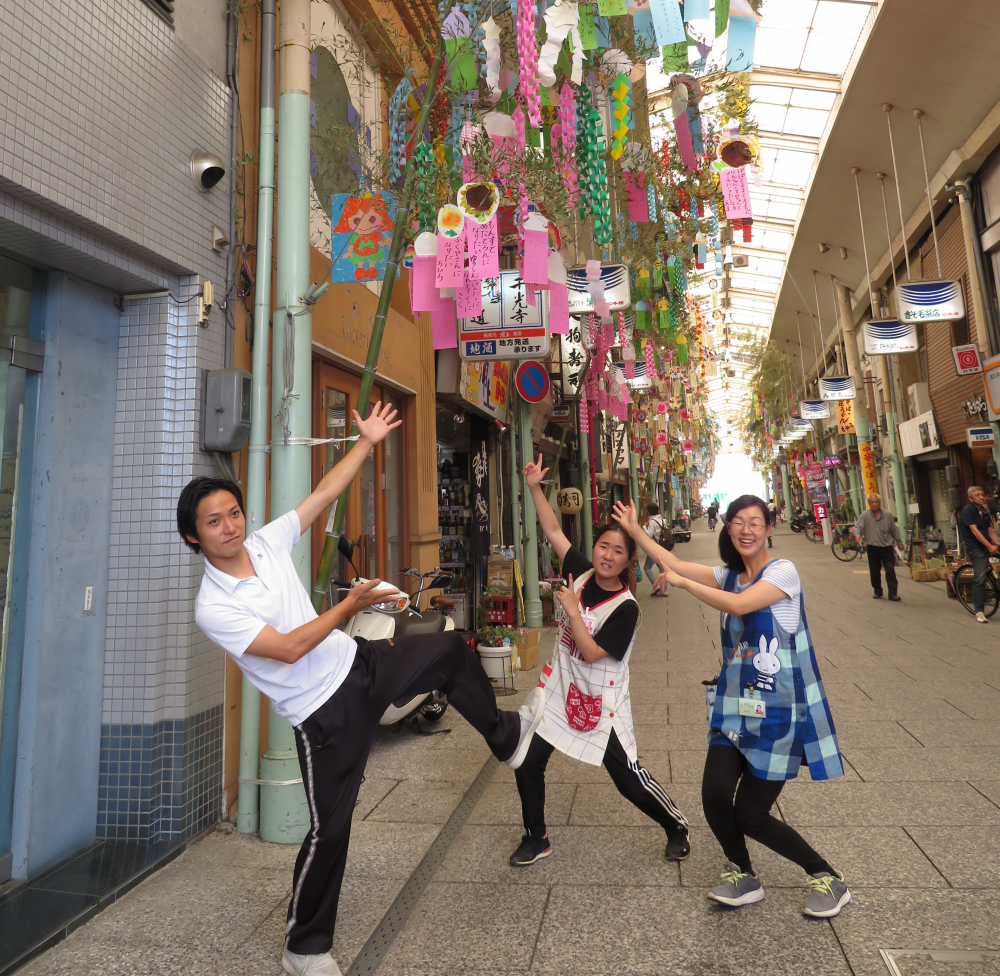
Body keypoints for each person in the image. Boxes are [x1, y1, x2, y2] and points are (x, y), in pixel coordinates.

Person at [181, 402, 546, 976]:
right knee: (331, 832)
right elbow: (288, 648)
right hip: (323, 715)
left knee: (450, 647)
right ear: (193, 537)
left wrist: (367, 442)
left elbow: (323, 494)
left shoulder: (266, 544)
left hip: (360, 663)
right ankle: (303, 947)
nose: (230, 526)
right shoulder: (213, 606)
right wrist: (351, 602)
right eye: (214, 521)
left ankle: (506, 738)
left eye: (233, 513)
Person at [618, 494, 850, 919]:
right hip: (735, 707)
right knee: (714, 794)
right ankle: (741, 872)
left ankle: (825, 875)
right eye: (738, 522)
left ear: (769, 528)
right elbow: (674, 560)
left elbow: (741, 605)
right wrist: (635, 531)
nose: (746, 529)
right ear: (728, 528)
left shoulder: (784, 572)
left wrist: (686, 584)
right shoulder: (728, 575)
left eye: (755, 522)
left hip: (779, 714)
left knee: (752, 814)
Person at [508, 455, 690, 868]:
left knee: (628, 780)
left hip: (599, 704)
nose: (607, 555)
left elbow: (591, 652)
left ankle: (675, 824)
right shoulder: (582, 571)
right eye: (603, 546)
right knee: (526, 759)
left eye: (618, 551)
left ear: (629, 561)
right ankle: (536, 837)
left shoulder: (626, 609)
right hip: (560, 694)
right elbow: (553, 528)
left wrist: (572, 611)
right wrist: (535, 486)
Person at [959, 486, 1000, 623]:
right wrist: (989, 546)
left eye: (982, 495)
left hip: (988, 545)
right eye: (978, 495)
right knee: (980, 578)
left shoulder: (985, 511)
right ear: (971, 498)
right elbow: (975, 531)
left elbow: (990, 531)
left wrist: (998, 545)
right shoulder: (967, 511)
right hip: (976, 547)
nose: (981, 497)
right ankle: (979, 611)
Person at [855, 492, 902, 602]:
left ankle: (893, 593)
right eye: (872, 502)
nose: (874, 504)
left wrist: (899, 541)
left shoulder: (887, 515)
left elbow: (893, 529)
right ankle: (878, 590)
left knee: (890, 570)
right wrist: (857, 535)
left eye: (876, 502)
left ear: (879, 503)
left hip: (886, 547)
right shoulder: (865, 515)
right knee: (875, 571)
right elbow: (858, 527)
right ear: (869, 503)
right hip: (873, 548)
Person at [644, 501, 673, 597]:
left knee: (647, 567)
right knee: (662, 568)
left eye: (647, 511)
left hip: (654, 548)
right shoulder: (662, 519)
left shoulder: (652, 521)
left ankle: (655, 584)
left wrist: (644, 527)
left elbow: (649, 534)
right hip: (663, 547)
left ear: (649, 511)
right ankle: (664, 590)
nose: (646, 512)